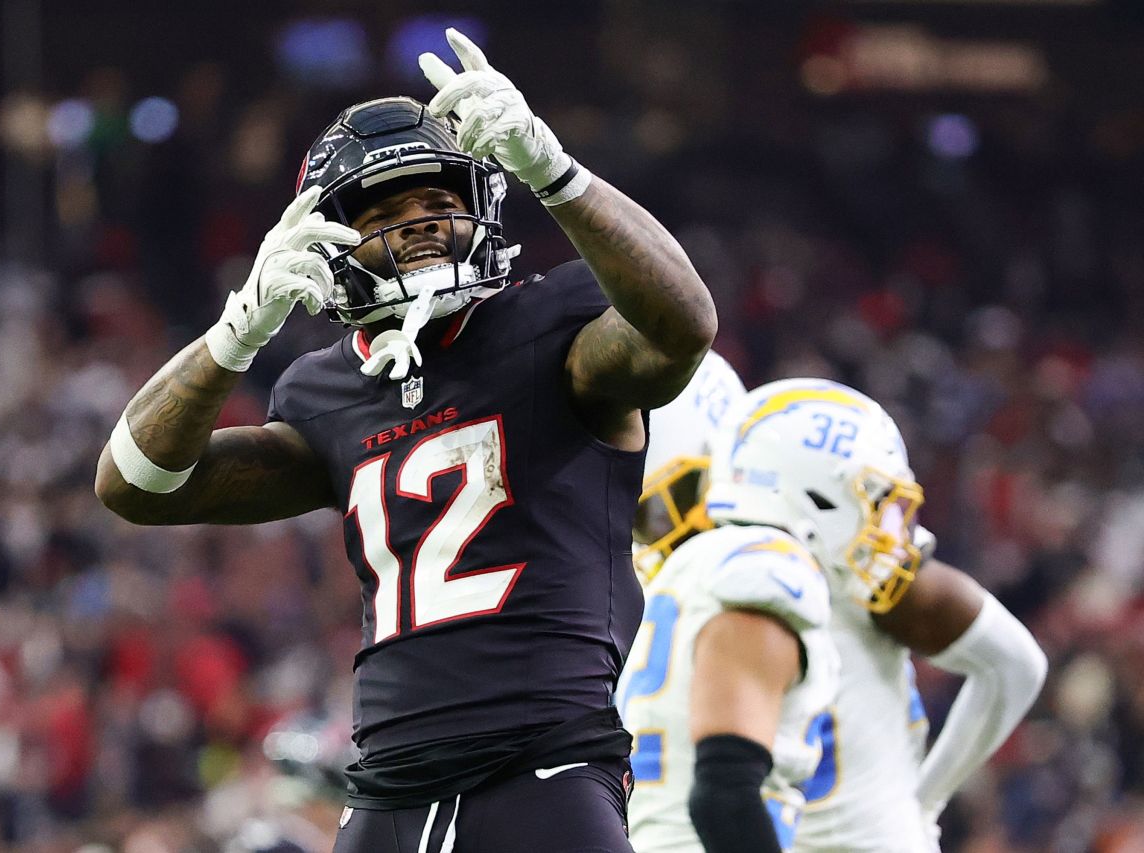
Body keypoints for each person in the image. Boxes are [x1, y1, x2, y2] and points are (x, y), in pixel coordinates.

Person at [94, 27, 717, 853]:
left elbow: (681, 328)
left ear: (481, 207)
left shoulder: (550, 324)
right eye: (386, 212)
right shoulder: (323, 391)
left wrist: (556, 172)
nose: (420, 223)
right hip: (386, 786)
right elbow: (133, 484)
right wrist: (232, 336)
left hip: (543, 769)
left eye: (438, 202)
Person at [703, 379, 1048, 852]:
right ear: (811, 494)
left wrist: (924, 801)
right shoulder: (733, 587)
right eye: (876, 500)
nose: (894, 529)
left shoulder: (876, 583)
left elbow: (1015, 665)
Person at [618, 357, 840, 853]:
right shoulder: (760, 567)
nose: (661, 533)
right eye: (643, 519)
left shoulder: (668, 589)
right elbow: (725, 794)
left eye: (668, 502)